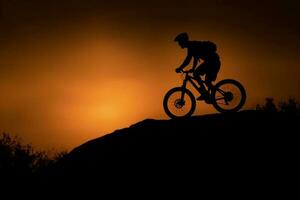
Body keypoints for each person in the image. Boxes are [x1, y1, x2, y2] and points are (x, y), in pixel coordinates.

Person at [174, 32, 221, 100]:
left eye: (179, 42)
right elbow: (195, 58)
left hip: (212, 62)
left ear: (183, 41)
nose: (179, 44)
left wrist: (180, 68)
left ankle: (205, 93)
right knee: (207, 81)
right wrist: (193, 68)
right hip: (213, 62)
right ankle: (209, 95)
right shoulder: (192, 45)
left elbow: (188, 60)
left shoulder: (191, 46)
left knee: (196, 74)